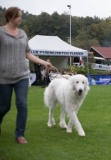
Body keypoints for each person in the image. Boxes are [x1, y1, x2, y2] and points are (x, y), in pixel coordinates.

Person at [0, 7, 53, 144]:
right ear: (11, 17)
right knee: (4, 106)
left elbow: (27, 53)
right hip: (4, 76)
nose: (21, 19)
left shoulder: (23, 34)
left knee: (22, 104)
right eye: (19, 17)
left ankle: (20, 134)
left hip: (22, 76)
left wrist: (43, 62)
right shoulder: (0, 33)